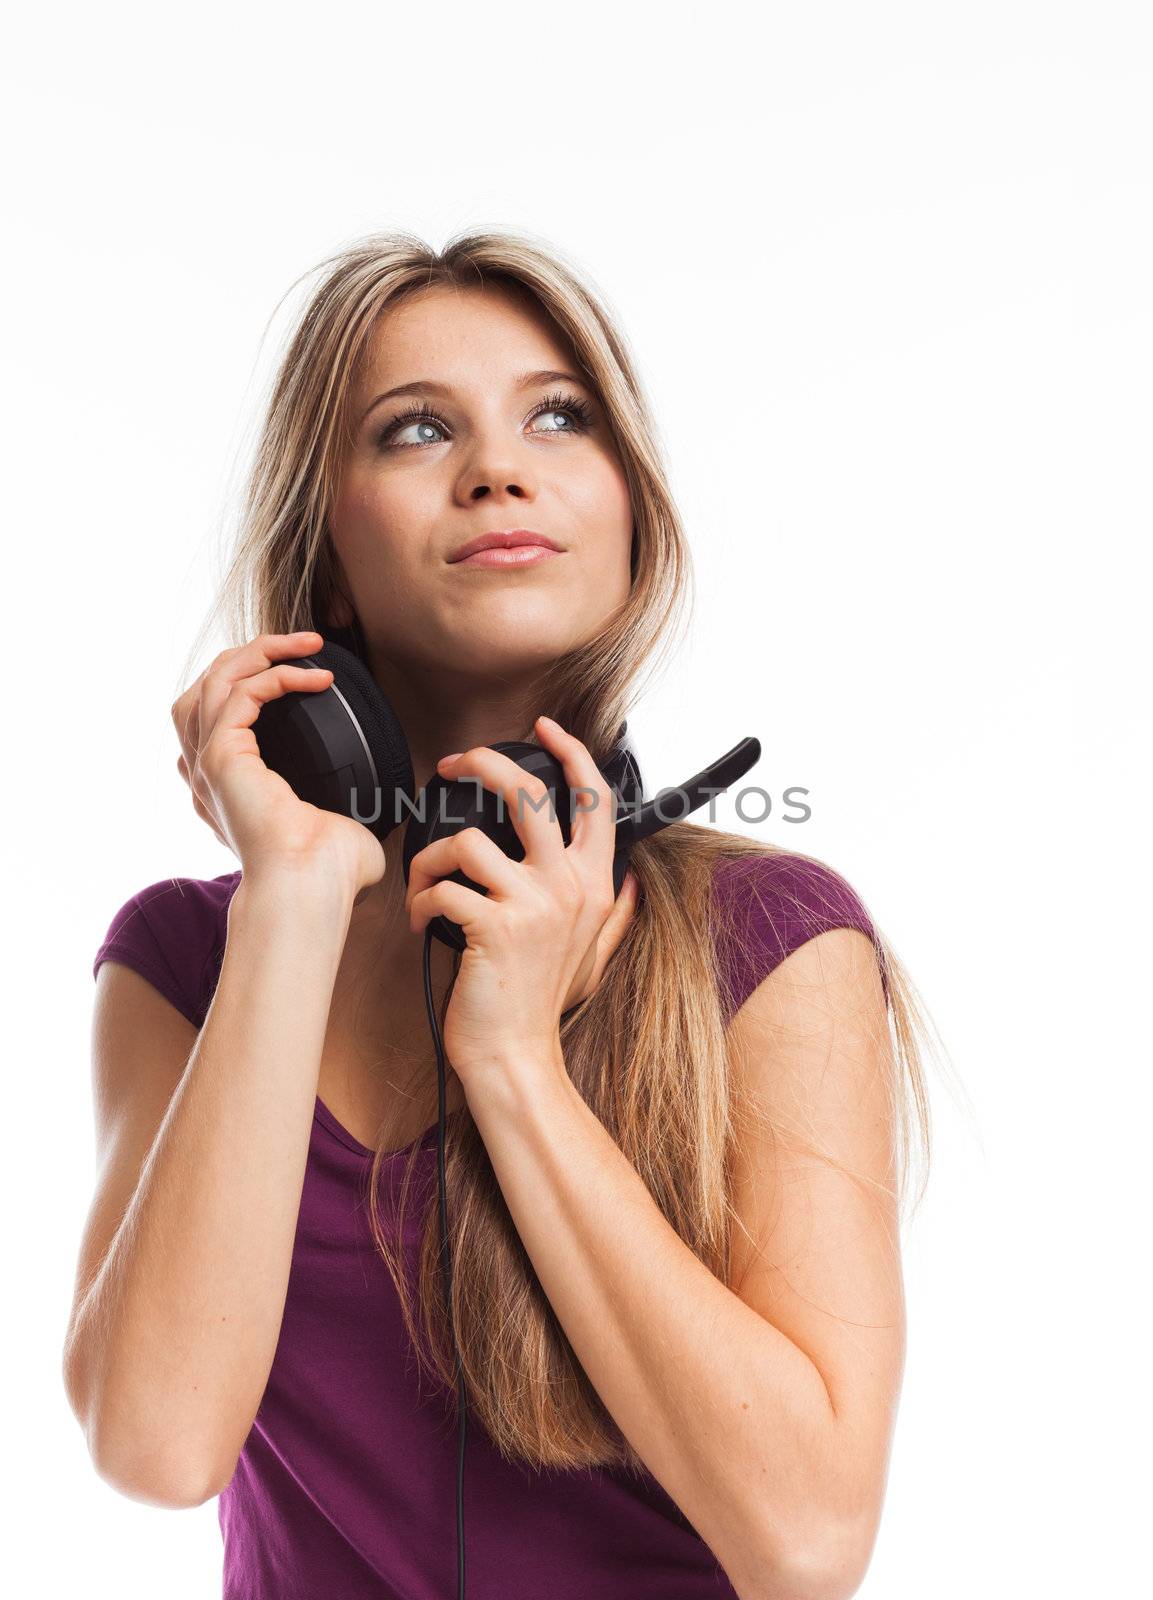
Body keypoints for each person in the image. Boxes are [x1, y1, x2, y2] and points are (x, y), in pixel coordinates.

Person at [63, 228, 934, 1600]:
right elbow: (158, 1449)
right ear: (327, 554)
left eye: (558, 415)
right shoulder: (185, 959)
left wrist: (515, 1063)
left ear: (630, 510)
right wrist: (291, 900)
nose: (496, 467)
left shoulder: (770, 940)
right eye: (415, 430)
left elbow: (808, 1541)